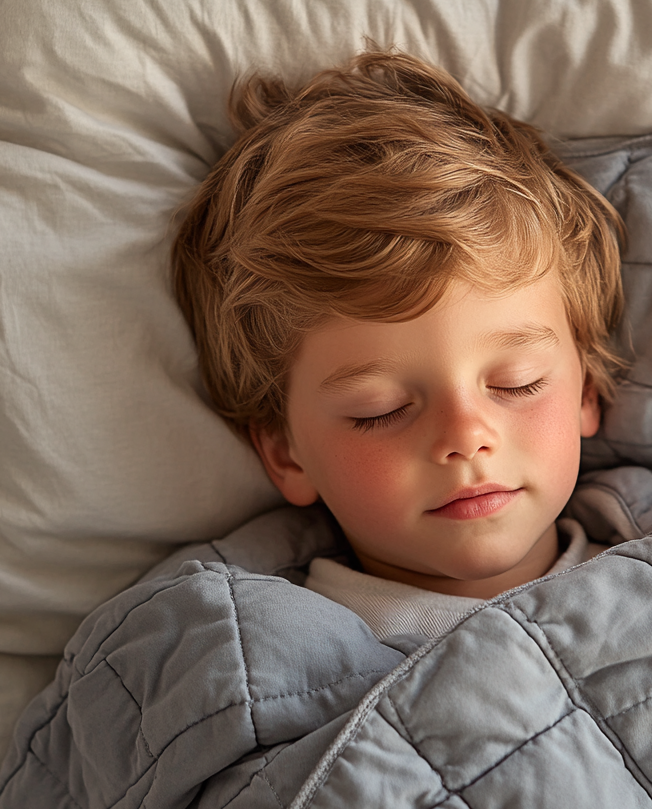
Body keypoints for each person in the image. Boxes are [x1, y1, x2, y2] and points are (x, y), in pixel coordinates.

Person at [171, 49, 628, 642]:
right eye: (379, 409)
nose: (466, 437)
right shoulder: (250, 652)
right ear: (286, 451)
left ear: (585, 392)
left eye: (517, 383)